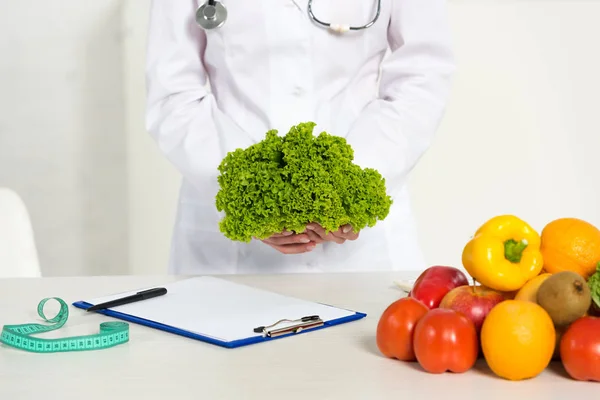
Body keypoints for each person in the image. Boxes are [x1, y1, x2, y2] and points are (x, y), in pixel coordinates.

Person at [145, 0, 455, 275]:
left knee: (364, 339)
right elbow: (173, 94)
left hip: (362, 250)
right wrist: (251, 199)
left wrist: (344, 191)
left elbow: (422, 75)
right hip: (228, 252)